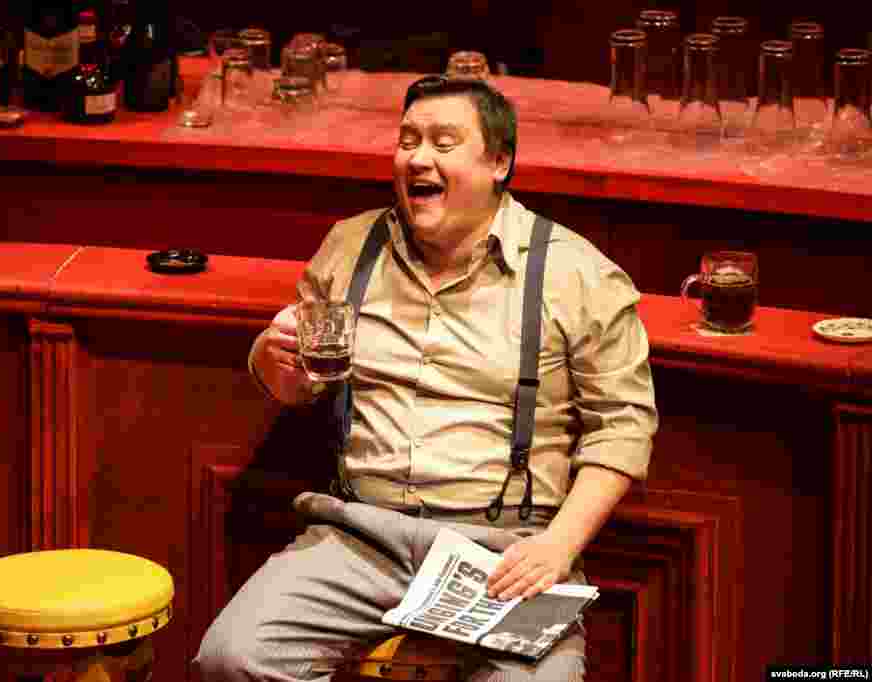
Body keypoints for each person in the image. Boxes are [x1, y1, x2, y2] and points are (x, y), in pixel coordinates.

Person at [194, 75, 658, 681]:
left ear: (499, 162)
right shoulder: (350, 247)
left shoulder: (575, 273)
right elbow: (301, 379)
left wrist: (558, 545)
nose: (417, 158)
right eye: (408, 140)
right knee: (232, 659)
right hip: (360, 534)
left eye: (443, 142)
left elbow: (623, 425)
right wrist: (270, 362)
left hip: (501, 547)